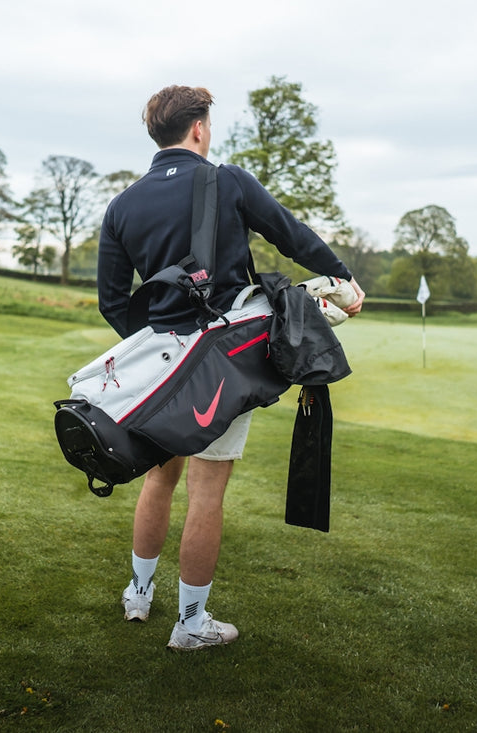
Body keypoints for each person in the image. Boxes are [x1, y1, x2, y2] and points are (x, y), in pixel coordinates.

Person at [97, 85, 365, 650]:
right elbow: (291, 236)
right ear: (198, 128)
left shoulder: (122, 205)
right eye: (209, 125)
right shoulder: (229, 180)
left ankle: (138, 595)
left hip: (157, 371)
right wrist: (342, 278)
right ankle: (191, 625)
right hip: (221, 362)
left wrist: (153, 350)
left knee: (159, 477)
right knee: (207, 492)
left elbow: (113, 301)